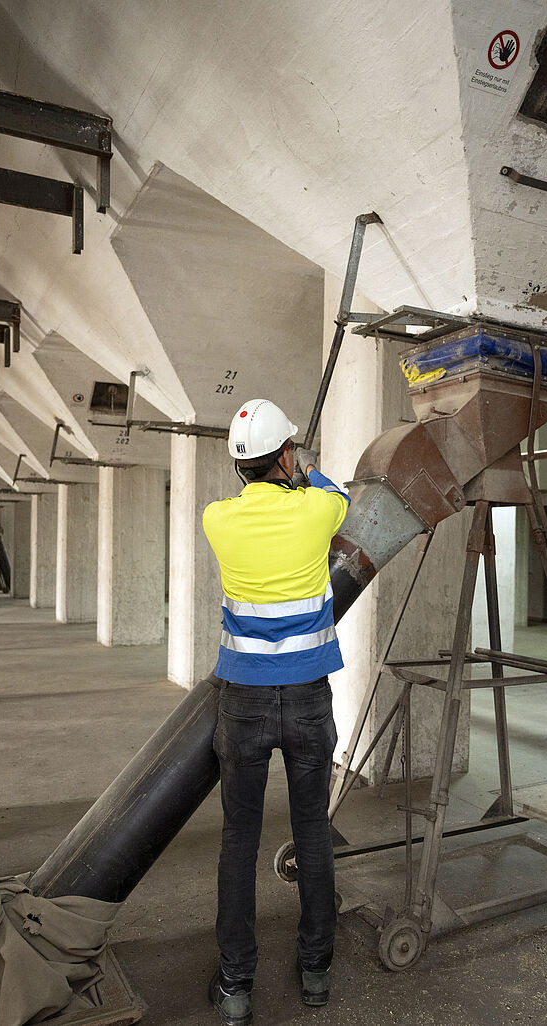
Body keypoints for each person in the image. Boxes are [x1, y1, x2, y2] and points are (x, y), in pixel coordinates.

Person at [202, 398, 350, 1026]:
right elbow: (336, 492)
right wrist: (305, 469)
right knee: (312, 832)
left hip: (244, 703)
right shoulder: (318, 510)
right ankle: (315, 970)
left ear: (240, 466)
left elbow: (256, 489)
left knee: (239, 840)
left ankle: (236, 984)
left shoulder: (218, 520)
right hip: (309, 698)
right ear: (287, 455)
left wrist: (279, 463)